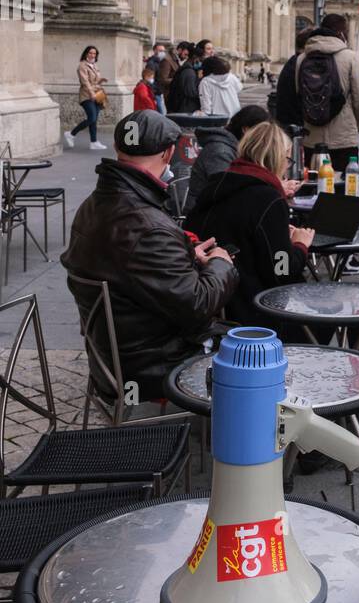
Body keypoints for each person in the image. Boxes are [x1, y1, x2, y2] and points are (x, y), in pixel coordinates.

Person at [61, 112, 237, 401]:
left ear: (119, 149)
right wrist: (220, 263)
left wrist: (183, 254)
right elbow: (199, 304)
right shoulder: (147, 224)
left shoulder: (93, 204)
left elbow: (126, 263)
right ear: (168, 152)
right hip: (152, 366)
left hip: (113, 356)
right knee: (255, 350)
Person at [186, 121, 313, 329]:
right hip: (254, 312)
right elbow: (281, 271)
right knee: (327, 313)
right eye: (287, 160)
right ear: (278, 159)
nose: (287, 166)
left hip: (212, 302)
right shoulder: (268, 199)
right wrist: (300, 245)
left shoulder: (218, 183)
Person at [294, 13, 359, 174]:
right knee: (344, 188)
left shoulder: (302, 59)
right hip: (343, 139)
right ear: (342, 33)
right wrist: (356, 126)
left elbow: (298, 94)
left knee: (313, 188)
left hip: (311, 138)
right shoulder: (351, 58)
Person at [187, 103, 270, 209]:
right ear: (246, 130)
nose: (264, 140)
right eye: (261, 134)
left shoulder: (236, 148)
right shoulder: (220, 152)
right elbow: (227, 192)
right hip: (205, 215)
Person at [64, 46, 108, 151]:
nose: (92, 55)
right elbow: (85, 82)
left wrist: (101, 80)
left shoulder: (94, 65)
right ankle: (71, 133)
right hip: (86, 95)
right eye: (90, 53)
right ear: (86, 53)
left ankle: (94, 142)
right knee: (91, 118)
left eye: (94, 53)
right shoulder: (82, 66)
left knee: (94, 120)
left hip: (97, 94)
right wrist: (92, 93)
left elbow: (94, 80)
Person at [166, 42, 200, 114]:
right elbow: (191, 93)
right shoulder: (189, 72)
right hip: (184, 110)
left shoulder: (187, 69)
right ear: (195, 58)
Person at [145, 42, 171, 114]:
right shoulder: (152, 63)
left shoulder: (160, 62)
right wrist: (154, 91)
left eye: (163, 51)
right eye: (160, 50)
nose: (162, 53)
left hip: (159, 91)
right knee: (161, 113)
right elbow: (149, 79)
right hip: (156, 92)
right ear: (154, 51)